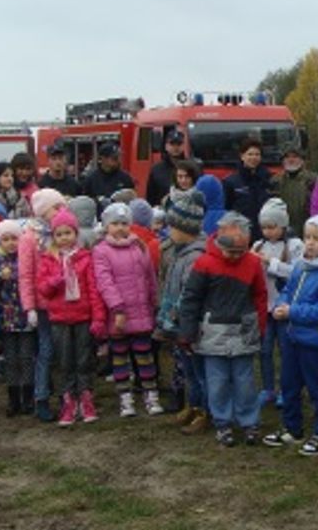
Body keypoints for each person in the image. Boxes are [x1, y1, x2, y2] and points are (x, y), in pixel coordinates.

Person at [178, 212, 268, 447]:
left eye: (241, 252)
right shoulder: (205, 263)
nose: (235, 257)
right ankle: (223, 422)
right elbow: (191, 299)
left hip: (244, 329)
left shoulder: (253, 263)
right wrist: (187, 331)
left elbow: (260, 294)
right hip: (212, 331)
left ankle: (249, 422)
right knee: (216, 381)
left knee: (245, 380)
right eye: (231, 252)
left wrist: (260, 325)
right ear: (219, 243)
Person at [263, 214, 318, 456]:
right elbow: (288, 290)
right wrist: (281, 304)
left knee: (317, 387)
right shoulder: (301, 265)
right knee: (289, 383)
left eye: (317, 238)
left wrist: (293, 311)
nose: (310, 243)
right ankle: (292, 427)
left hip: (315, 339)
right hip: (292, 335)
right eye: (307, 237)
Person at [93, 202, 162, 418]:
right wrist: (117, 308)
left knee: (145, 356)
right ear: (106, 226)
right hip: (119, 316)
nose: (120, 228)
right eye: (115, 223)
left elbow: (149, 277)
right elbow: (105, 282)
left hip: (141, 313)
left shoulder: (139, 247)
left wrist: (154, 301)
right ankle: (125, 398)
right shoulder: (101, 251)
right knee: (120, 358)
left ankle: (150, 394)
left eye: (124, 223)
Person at [38, 208, 106, 426]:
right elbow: (43, 289)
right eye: (59, 234)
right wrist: (54, 282)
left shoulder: (85, 258)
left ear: (75, 234)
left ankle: (86, 398)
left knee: (84, 359)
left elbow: (94, 290)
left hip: (83, 316)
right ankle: (68, 400)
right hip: (59, 318)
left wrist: (98, 318)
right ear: (53, 237)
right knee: (65, 361)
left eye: (68, 233)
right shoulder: (48, 260)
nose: (64, 238)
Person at [157, 192, 210, 432]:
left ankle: (204, 411)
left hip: (192, 325)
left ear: (186, 228)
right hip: (179, 324)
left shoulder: (194, 258)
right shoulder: (178, 252)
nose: (168, 231)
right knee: (188, 370)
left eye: (172, 227)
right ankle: (193, 404)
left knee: (199, 371)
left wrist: (184, 321)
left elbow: (192, 295)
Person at [19, 188, 69, 422]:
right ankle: (41, 397)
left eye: (62, 206)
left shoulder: (64, 233)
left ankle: (66, 395)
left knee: (63, 351)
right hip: (42, 304)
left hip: (64, 302)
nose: (61, 211)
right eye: (56, 207)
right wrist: (29, 307)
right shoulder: (30, 238)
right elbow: (26, 275)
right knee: (46, 351)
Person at [251, 198, 304, 408]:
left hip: (283, 308)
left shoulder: (295, 245)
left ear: (282, 225)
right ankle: (267, 388)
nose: (268, 232)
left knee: (285, 350)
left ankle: (286, 388)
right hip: (264, 307)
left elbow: (297, 273)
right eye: (264, 227)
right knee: (264, 350)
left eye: (272, 227)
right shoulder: (257, 245)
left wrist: (270, 263)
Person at [0, 219, 34, 416]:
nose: (10, 243)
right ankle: (13, 398)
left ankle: (28, 397)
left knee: (27, 357)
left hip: (25, 318)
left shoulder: (25, 257)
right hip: (6, 319)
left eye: (14, 238)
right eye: (5, 239)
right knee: (11, 359)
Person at [223, 137, 273, 242]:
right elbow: (227, 208)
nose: (253, 158)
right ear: (242, 156)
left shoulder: (269, 179)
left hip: (265, 234)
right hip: (241, 234)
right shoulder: (231, 182)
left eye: (257, 154)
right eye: (250, 154)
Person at [270, 146, 317, 239]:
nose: (291, 160)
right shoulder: (275, 181)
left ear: (302, 160)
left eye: (295, 157)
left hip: (307, 231)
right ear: (282, 161)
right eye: (287, 157)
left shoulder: (313, 180)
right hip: (282, 232)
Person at [81, 142, 135, 210]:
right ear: (102, 159)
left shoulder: (125, 178)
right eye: (114, 158)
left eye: (119, 157)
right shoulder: (91, 179)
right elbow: (85, 203)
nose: (118, 161)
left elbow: (132, 200)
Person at [147, 130, 186, 206]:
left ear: (183, 146)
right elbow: (150, 198)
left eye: (179, 144)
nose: (176, 147)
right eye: (172, 144)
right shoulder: (156, 170)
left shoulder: (192, 167)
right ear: (166, 146)